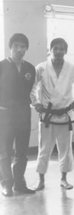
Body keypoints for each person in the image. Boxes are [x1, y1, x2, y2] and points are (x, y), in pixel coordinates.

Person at [31, 38, 74, 190]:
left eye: (61, 49)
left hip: (65, 113)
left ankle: (64, 179)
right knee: (44, 149)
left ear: (66, 51)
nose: (58, 51)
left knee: (65, 148)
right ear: (50, 50)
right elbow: (32, 87)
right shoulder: (41, 68)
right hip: (47, 114)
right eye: (55, 48)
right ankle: (41, 180)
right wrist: (36, 103)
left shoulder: (72, 69)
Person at [0, 33, 36, 196]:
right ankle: (6, 183)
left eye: (23, 47)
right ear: (10, 47)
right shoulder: (2, 65)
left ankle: (19, 183)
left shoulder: (30, 68)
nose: (19, 50)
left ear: (26, 49)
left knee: (22, 150)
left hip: (23, 114)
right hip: (5, 114)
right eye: (16, 46)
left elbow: (30, 90)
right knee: (5, 150)